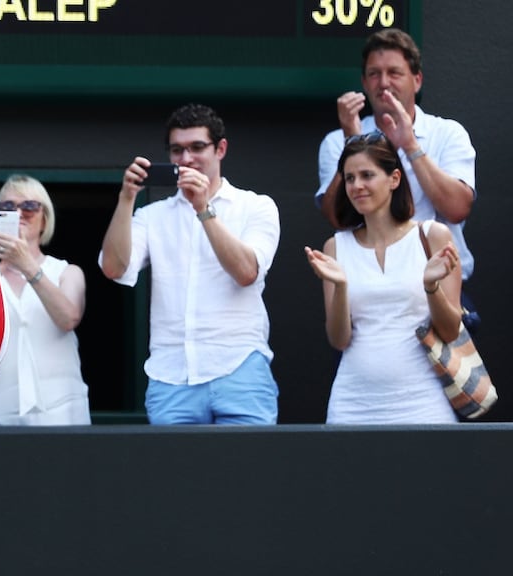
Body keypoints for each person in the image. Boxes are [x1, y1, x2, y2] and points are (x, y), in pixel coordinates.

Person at [98, 103, 280, 425]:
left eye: (197, 148)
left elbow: (246, 272)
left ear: (220, 149)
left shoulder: (256, 206)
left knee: (250, 472)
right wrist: (127, 197)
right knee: (174, 476)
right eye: (177, 150)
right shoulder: (152, 216)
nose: (186, 159)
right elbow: (113, 267)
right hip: (172, 375)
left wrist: (204, 209)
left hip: (239, 367)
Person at [314, 28, 479, 329]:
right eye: (374, 74)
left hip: (441, 285)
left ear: (417, 80)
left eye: (394, 73)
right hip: (367, 293)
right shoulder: (337, 140)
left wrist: (411, 147)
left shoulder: (447, 133)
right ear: (364, 82)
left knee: (450, 377)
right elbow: (338, 219)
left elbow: (457, 208)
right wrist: (353, 141)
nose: (384, 83)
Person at [305, 133, 462, 424]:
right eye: (349, 178)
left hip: (422, 402)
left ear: (394, 178)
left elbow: (451, 331)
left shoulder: (432, 236)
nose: (356, 186)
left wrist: (430, 287)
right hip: (352, 404)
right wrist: (340, 286)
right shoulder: (336, 246)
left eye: (367, 175)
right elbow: (339, 339)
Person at [0, 174, 90, 426]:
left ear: (45, 219)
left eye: (29, 206)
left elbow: (68, 318)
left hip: (60, 411)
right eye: (7, 207)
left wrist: (27, 266)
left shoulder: (67, 272)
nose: (19, 213)